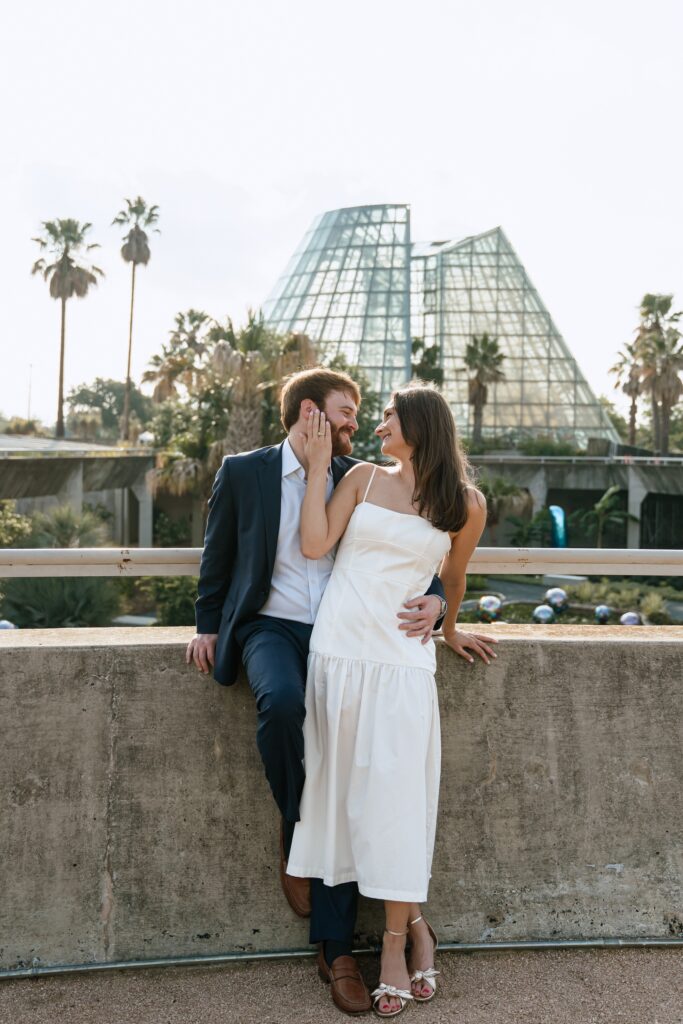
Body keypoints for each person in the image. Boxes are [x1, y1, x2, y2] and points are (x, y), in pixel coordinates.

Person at [186, 367, 454, 1015]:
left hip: (349, 636)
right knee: (282, 708)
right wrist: (203, 625)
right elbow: (216, 552)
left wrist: (439, 606)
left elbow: (419, 552)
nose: (357, 423)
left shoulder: (360, 474)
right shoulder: (244, 470)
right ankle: (293, 830)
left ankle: (337, 949)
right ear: (310, 412)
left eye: (365, 413)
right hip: (270, 627)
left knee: (353, 781)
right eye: (346, 411)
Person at [286, 382, 495, 1017]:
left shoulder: (467, 503)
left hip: (402, 662)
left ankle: (398, 943)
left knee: (398, 802)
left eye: (388, 417)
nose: (377, 427)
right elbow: (315, 546)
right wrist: (323, 470)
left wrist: (448, 624)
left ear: (420, 424)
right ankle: (407, 928)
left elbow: (454, 575)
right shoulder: (362, 480)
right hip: (339, 654)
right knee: (343, 796)